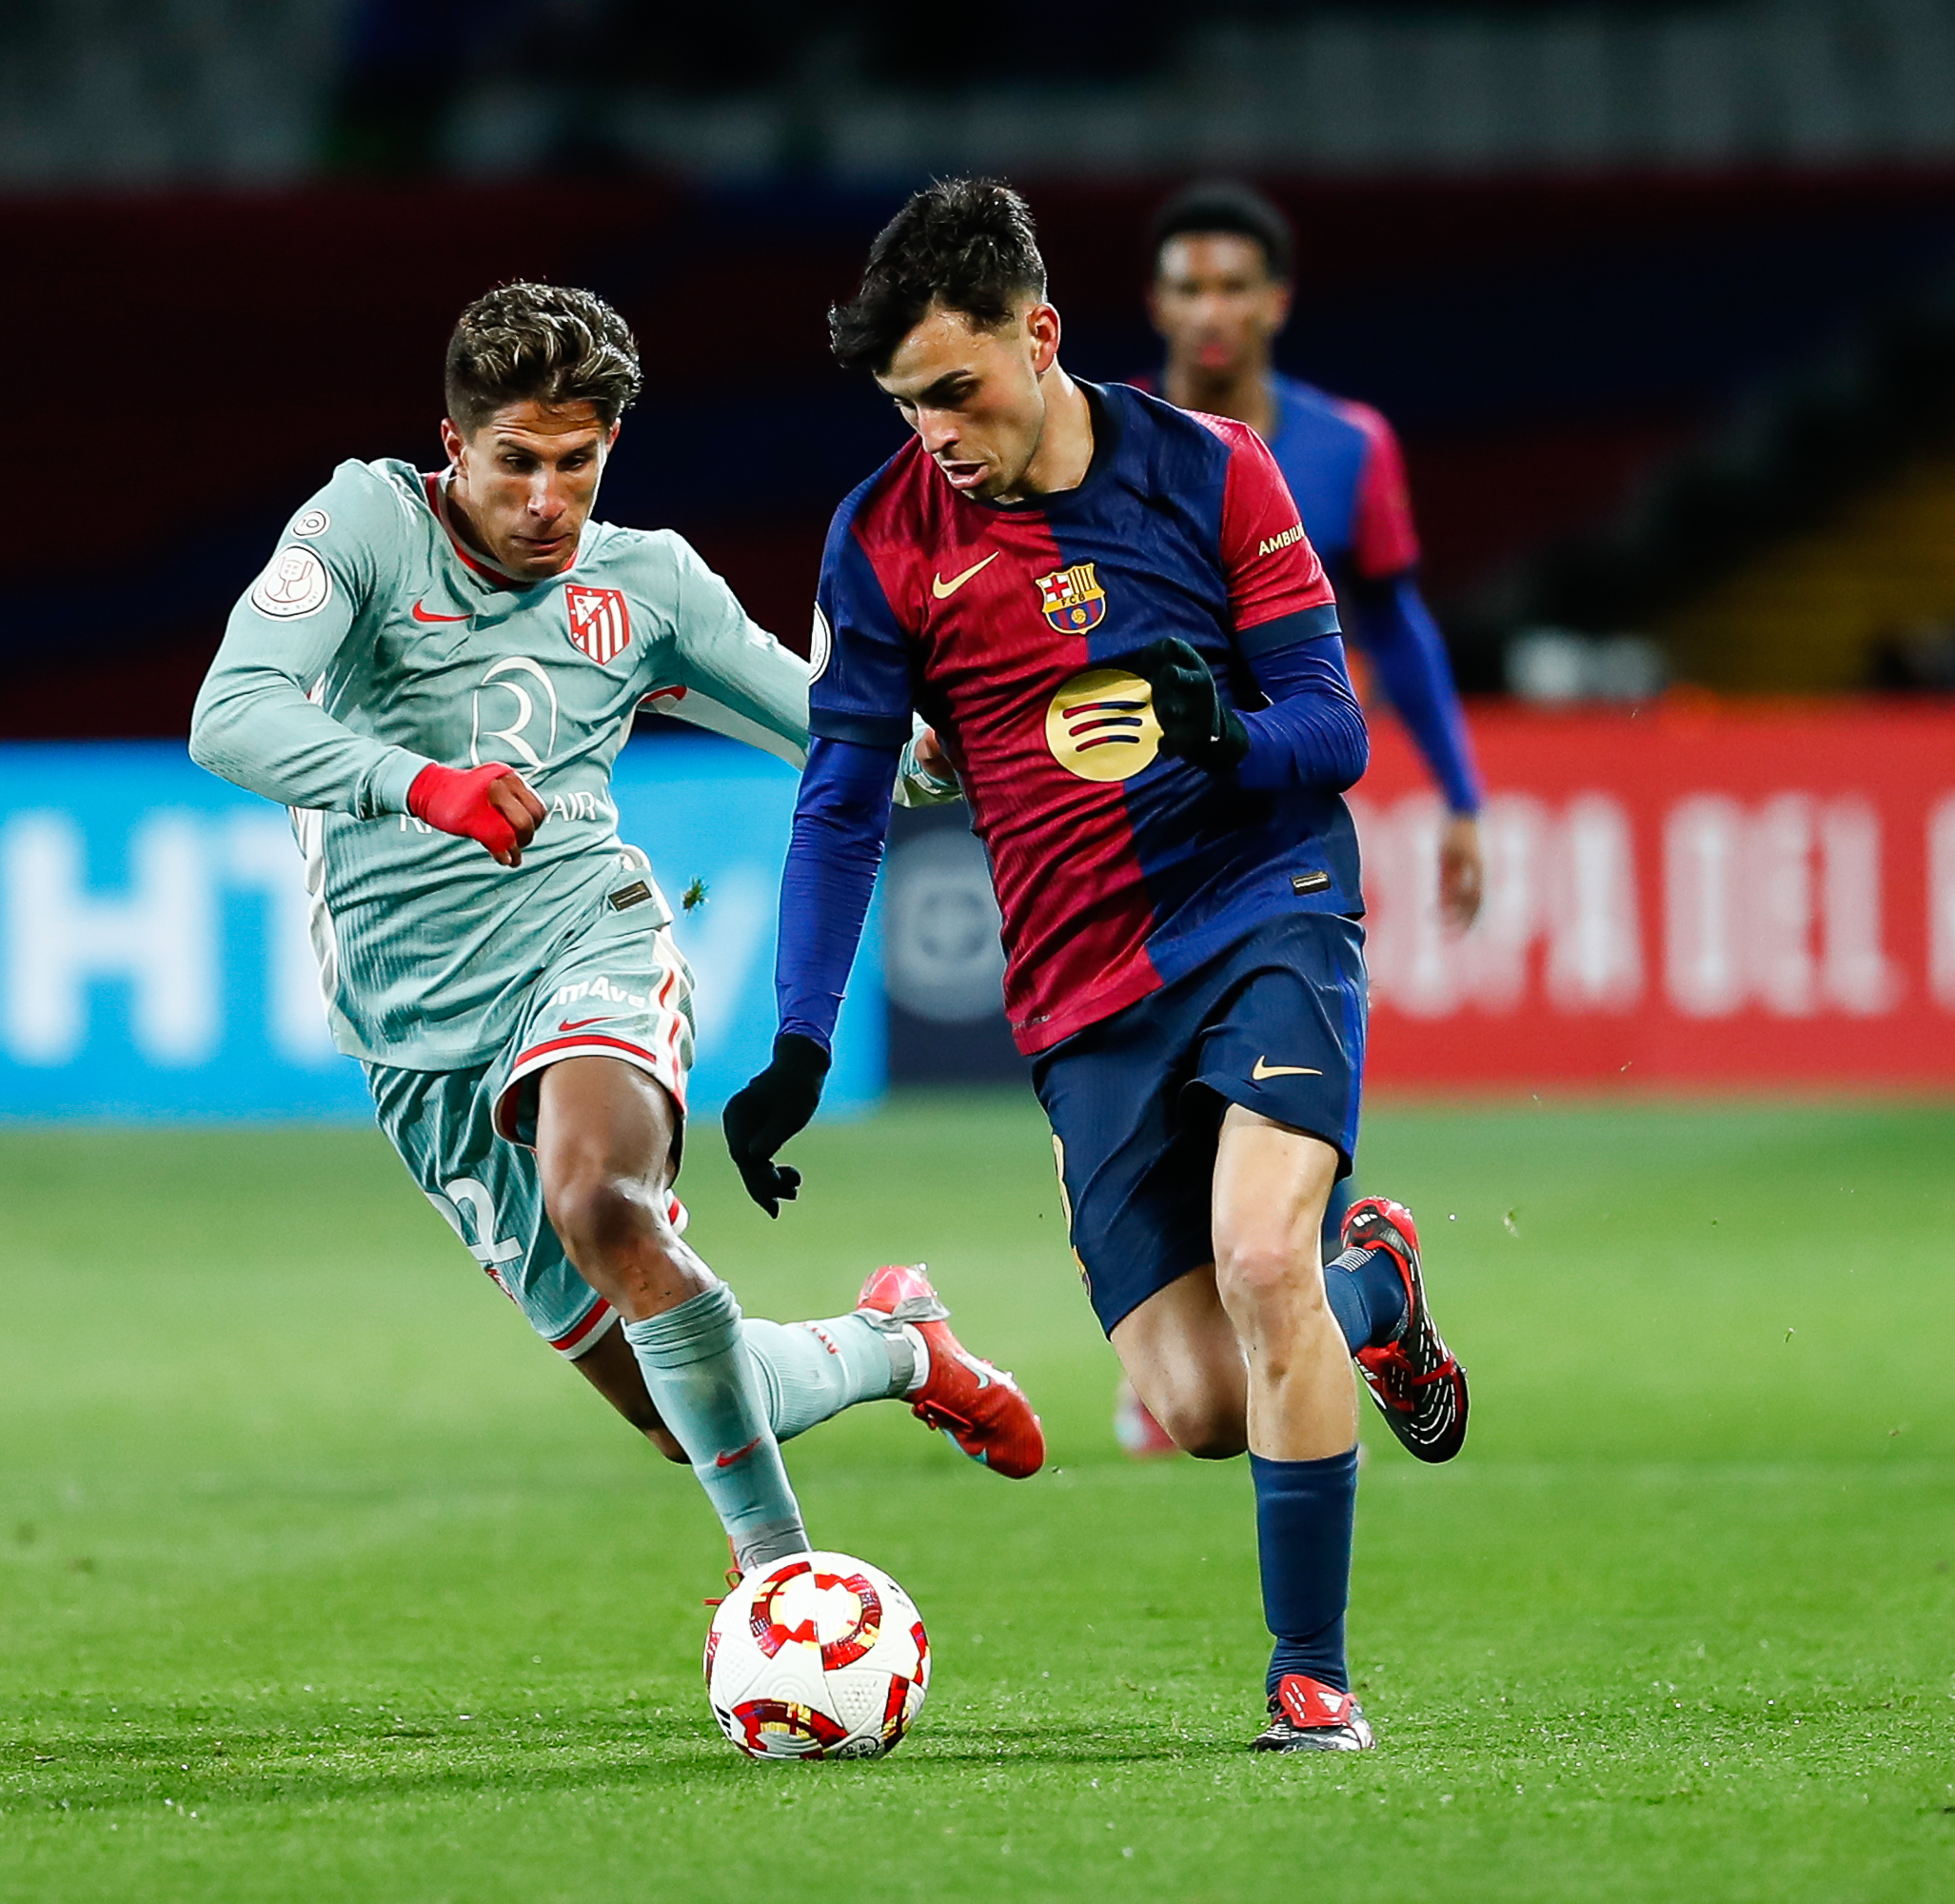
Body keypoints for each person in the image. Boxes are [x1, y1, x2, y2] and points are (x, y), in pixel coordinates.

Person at [724, 181, 1466, 1752]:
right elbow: (841, 805)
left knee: (1263, 1260)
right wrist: (797, 1041)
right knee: (1201, 1406)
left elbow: (1329, 731)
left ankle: (1309, 1677)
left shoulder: (1214, 473)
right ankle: (1374, 1284)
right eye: (906, 403)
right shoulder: (883, 545)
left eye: (957, 389)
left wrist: (1220, 729)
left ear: (1039, 336)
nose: (934, 429)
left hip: (1265, 901)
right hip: (1080, 988)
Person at [189, 282, 1043, 1585]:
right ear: (453, 444)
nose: (545, 499)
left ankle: (783, 1584)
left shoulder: (647, 589)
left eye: (575, 464)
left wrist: (973, 723)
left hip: (582, 943)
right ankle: (896, 1346)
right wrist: (422, 785)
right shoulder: (365, 525)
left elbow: (851, 739)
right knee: (673, 1405)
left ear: (609, 451)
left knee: (600, 1200)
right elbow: (231, 714)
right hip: (415, 1050)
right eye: (515, 463)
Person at [1110, 177, 1493, 1458]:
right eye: (1188, 284)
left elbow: (1396, 622)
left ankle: (1291, 1304)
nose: (1210, 309)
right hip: (1135, 827)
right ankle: (1332, 1299)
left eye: (1234, 285)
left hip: (1280, 818)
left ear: (1274, 301)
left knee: (1275, 1057)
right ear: (1157, 300)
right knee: (1152, 1087)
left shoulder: (1347, 449)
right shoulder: (1101, 448)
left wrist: (1461, 795)